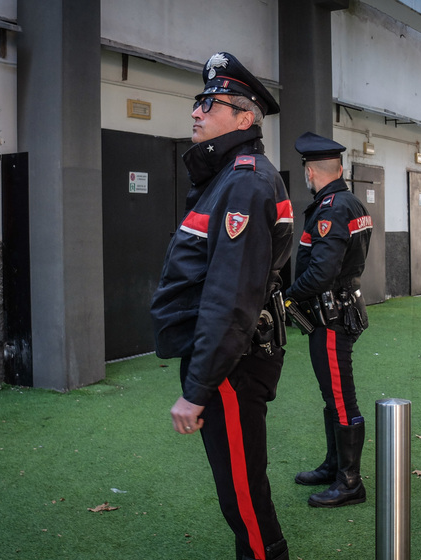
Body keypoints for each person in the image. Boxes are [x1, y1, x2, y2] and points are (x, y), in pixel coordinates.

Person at [149, 52, 293, 560]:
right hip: (227, 358)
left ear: (244, 118)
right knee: (238, 490)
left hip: (233, 364)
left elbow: (231, 298)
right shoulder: (227, 177)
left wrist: (198, 389)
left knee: (243, 494)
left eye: (211, 103)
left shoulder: (245, 182)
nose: (197, 111)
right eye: (198, 102)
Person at [285, 132, 372, 508]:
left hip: (332, 315)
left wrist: (287, 297)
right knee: (332, 396)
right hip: (335, 310)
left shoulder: (333, 208)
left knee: (340, 397)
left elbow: (321, 274)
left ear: (310, 171)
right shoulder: (347, 202)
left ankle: (349, 483)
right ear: (338, 168)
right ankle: (335, 465)